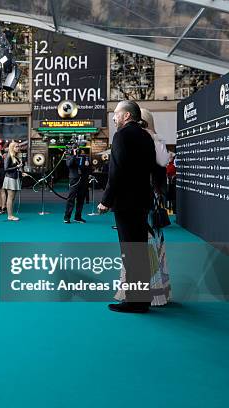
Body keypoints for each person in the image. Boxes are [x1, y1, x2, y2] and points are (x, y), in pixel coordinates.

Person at [98, 100, 156, 313]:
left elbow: (117, 172)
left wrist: (106, 200)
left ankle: (135, 301)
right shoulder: (145, 136)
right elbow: (151, 168)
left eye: (116, 113)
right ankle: (142, 298)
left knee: (130, 252)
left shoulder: (121, 136)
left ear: (127, 116)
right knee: (139, 250)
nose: (113, 117)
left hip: (126, 203)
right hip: (141, 201)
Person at [63, 147, 91, 223]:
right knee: (71, 199)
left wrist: (87, 165)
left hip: (83, 180)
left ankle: (78, 217)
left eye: (79, 150)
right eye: (76, 149)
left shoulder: (85, 157)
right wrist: (74, 155)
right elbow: (69, 164)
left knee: (81, 199)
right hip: (74, 180)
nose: (78, 151)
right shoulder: (69, 156)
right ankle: (67, 217)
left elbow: (88, 168)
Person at [3, 142, 26, 221]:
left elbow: (15, 169)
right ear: (12, 147)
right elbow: (5, 169)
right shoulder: (8, 156)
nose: (18, 148)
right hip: (10, 178)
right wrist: (17, 167)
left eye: (18, 146)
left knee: (12, 198)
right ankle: (10, 216)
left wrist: (21, 172)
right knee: (10, 197)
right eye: (16, 146)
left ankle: (11, 215)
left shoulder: (15, 157)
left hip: (15, 178)